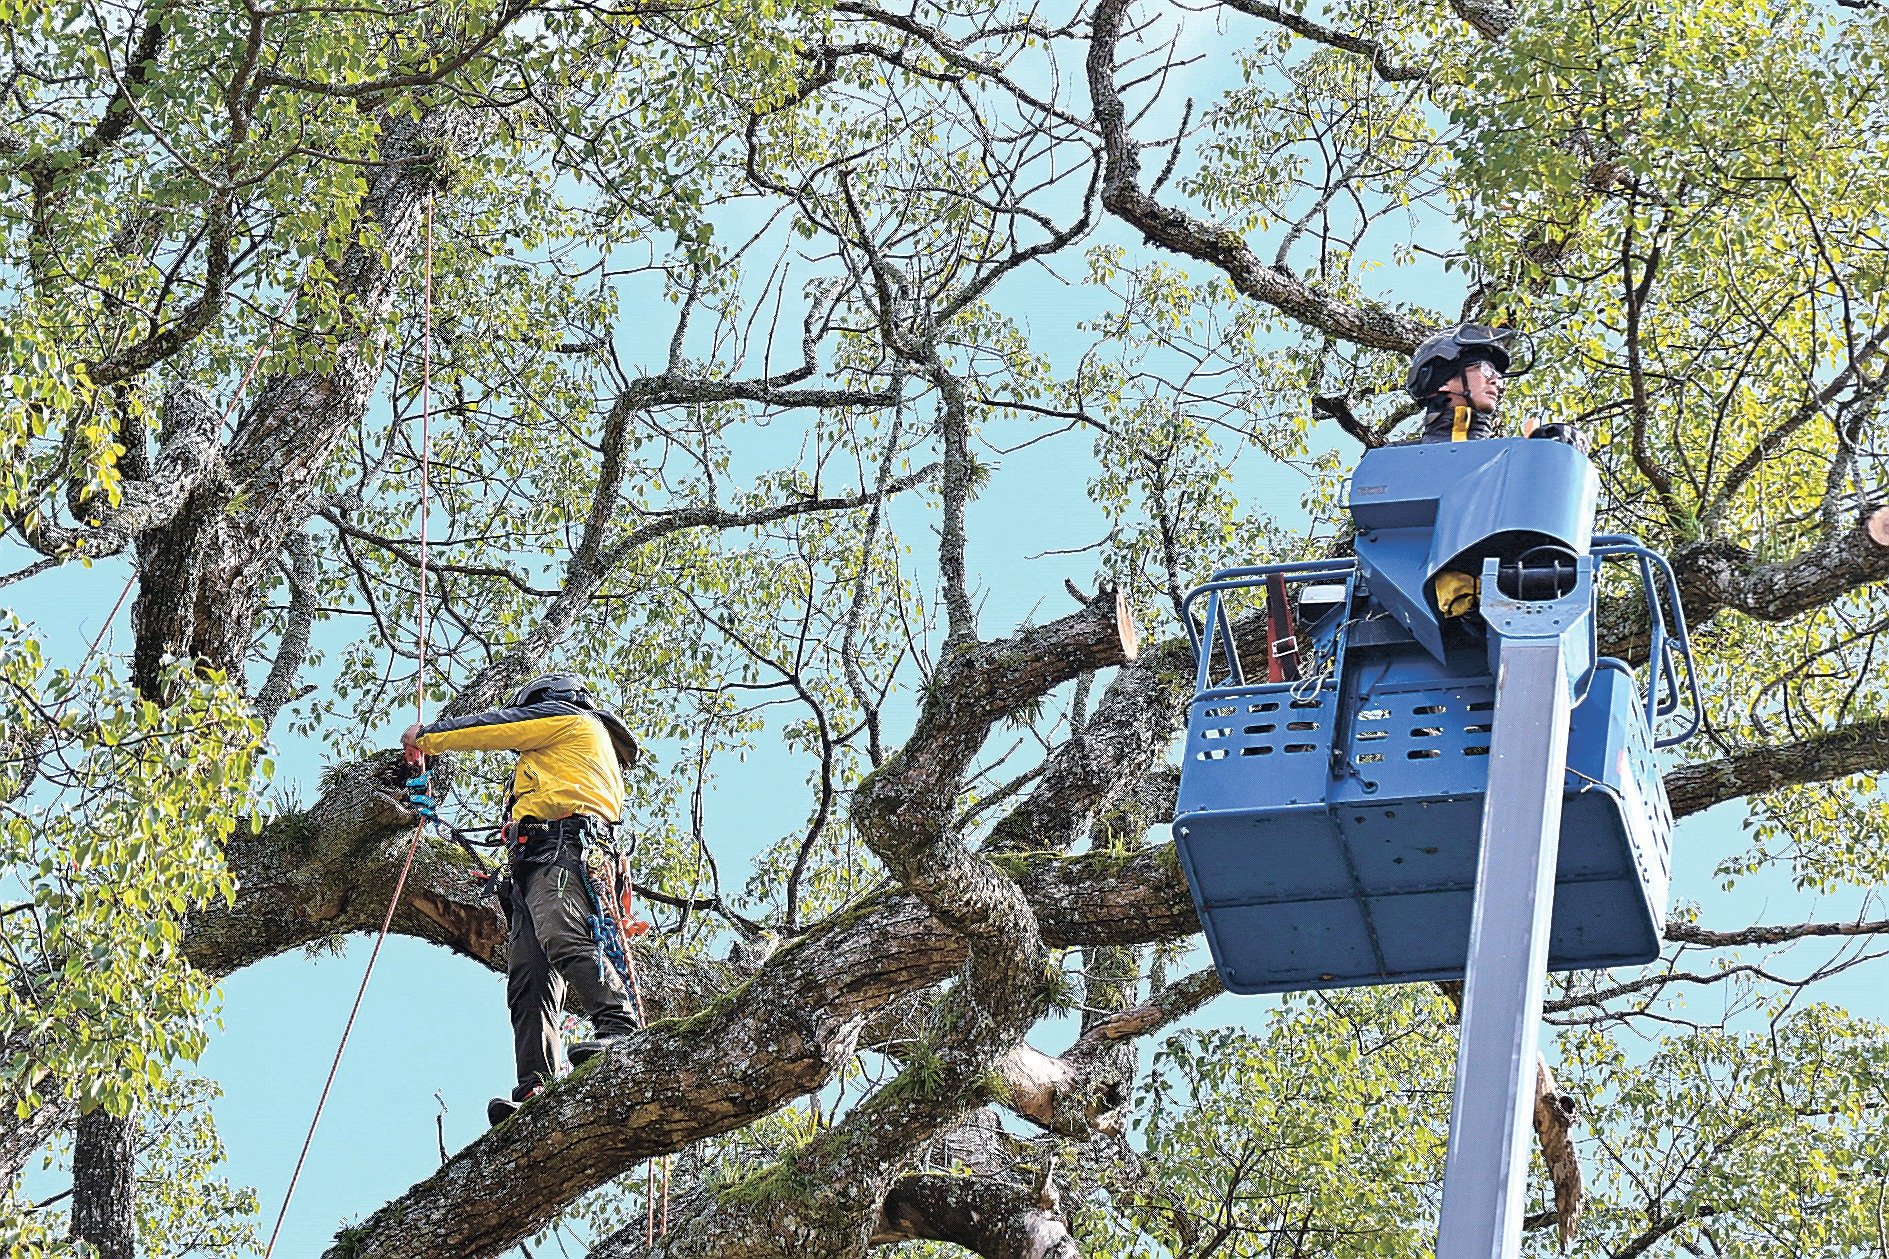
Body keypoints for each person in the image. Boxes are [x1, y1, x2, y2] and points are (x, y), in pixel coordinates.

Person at [401, 672, 642, 1125]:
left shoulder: (571, 721)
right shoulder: (562, 757)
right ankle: (536, 1086)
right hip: (535, 860)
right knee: (528, 978)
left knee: (563, 935)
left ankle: (619, 1026)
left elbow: (499, 725)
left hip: (564, 849)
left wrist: (428, 736)